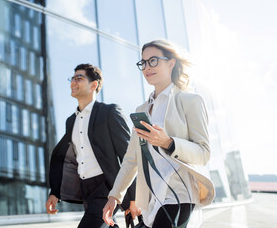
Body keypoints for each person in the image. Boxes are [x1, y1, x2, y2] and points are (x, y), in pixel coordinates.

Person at [102, 40, 215, 228]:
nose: (147, 67)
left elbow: (204, 153)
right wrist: (115, 196)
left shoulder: (190, 101)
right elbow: (131, 159)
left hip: (179, 195)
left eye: (153, 61)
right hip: (152, 199)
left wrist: (169, 142)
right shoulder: (142, 109)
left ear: (171, 63)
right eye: (143, 63)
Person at [45, 63, 137, 228]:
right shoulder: (71, 121)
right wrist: (55, 192)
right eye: (72, 78)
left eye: (79, 78)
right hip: (85, 189)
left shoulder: (109, 112)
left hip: (107, 186)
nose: (73, 82)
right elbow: (64, 157)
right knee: (104, 224)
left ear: (94, 85)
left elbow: (128, 153)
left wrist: (133, 197)